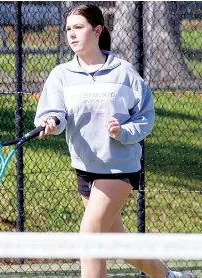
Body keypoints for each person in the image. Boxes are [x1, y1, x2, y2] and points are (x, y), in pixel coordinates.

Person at [34, 4, 191, 278]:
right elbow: (53, 112)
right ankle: (171, 277)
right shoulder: (60, 75)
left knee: (89, 238)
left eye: (78, 27)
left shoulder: (125, 72)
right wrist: (51, 122)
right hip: (85, 167)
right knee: (119, 246)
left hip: (119, 167)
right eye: (68, 29)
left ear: (97, 30)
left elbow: (145, 117)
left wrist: (123, 132)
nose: (71, 34)